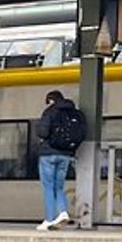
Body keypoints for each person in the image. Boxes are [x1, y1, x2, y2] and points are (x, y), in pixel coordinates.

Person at [33, 90, 85, 231]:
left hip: (48, 154)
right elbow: (81, 133)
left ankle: (49, 219)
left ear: (51, 100)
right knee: (59, 186)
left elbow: (42, 132)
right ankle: (62, 212)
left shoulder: (50, 111)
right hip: (65, 155)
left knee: (48, 187)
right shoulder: (76, 113)